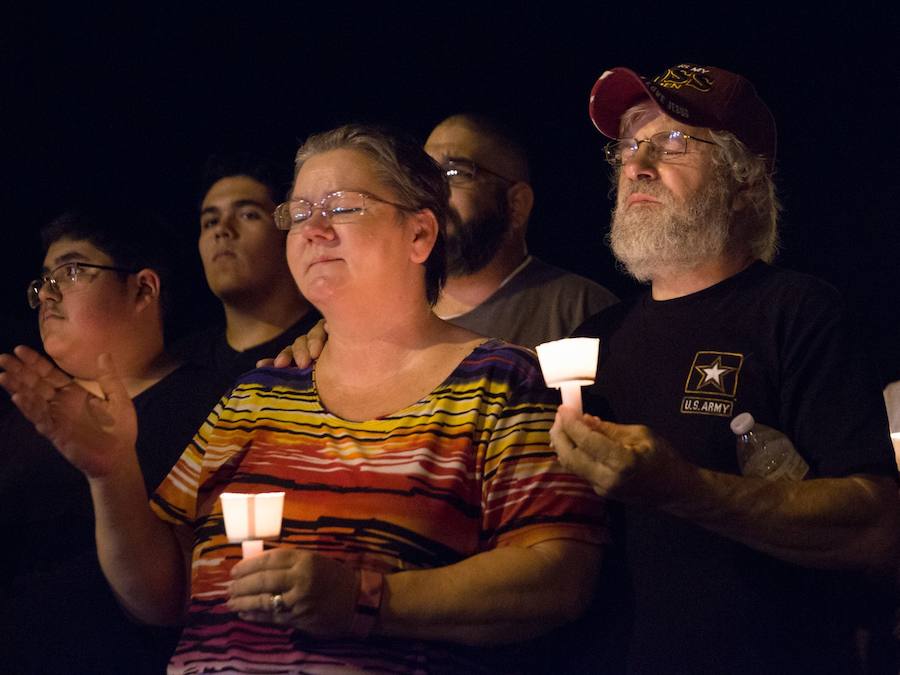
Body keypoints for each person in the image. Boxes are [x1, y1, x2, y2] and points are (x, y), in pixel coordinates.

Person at [0, 126, 606, 674]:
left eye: (341, 207)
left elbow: (558, 574)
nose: (313, 229)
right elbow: (158, 599)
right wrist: (111, 474)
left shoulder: (502, 380)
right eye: (299, 212)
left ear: (420, 232)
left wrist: (366, 598)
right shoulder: (255, 396)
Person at [545, 63, 900, 673]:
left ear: (745, 181)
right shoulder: (593, 339)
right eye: (629, 145)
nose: (637, 164)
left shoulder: (797, 311)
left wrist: (683, 487)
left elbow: (875, 525)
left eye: (674, 142)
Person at [0, 207, 229, 674]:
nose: (48, 293)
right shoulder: (23, 414)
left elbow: (184, 594)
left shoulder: (215, 404)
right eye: (42, 281)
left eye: (71, 270)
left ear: (143, 287)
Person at [421, 114, 617, 347]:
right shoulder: (391, 311)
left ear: (517, 204)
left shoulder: (579, 310)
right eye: (424, 176)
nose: (432, 192)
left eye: (455, 173)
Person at [172, 153, 321, 380]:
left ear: (290, 230)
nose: (222, 230)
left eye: (247, 215)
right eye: (210, 221)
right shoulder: (178, 366)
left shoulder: (323, 346)